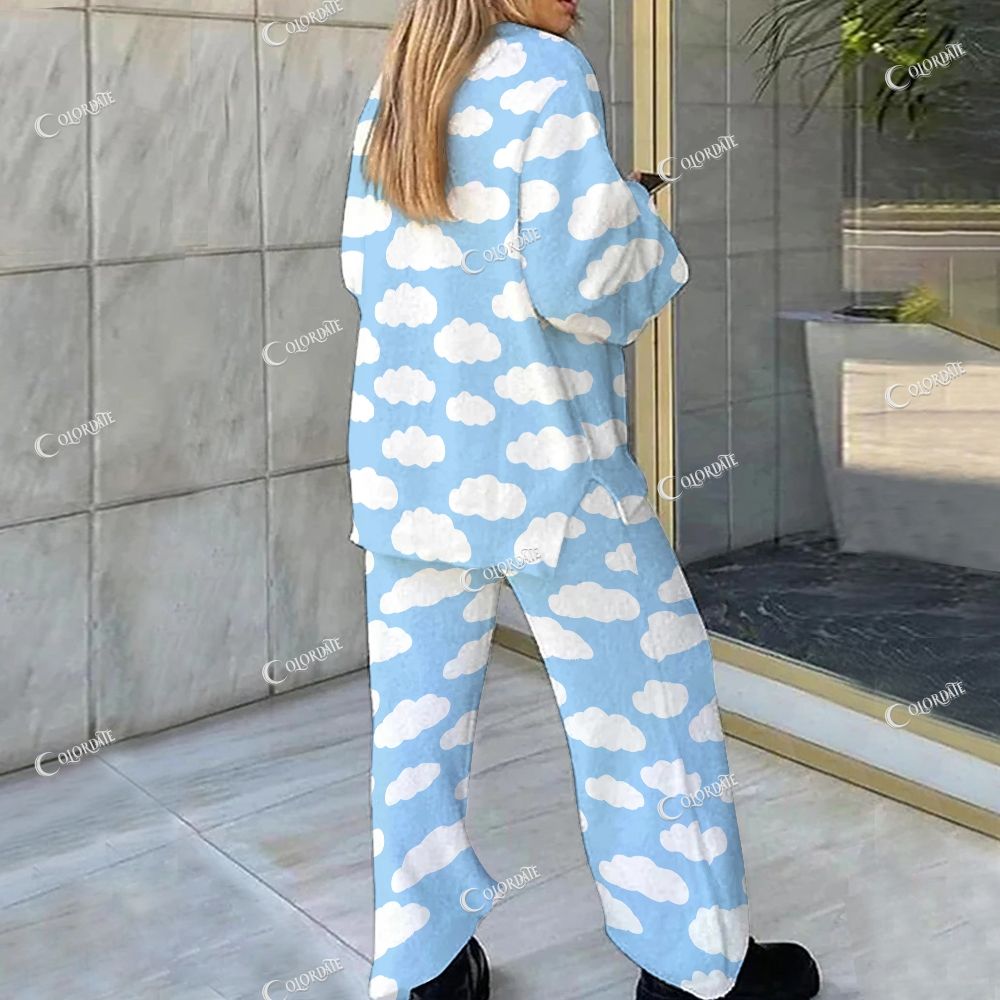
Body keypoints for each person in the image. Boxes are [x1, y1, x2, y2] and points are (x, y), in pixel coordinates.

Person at [340, 2, 821, 998]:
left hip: (408, 466)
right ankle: (696, 968)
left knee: (416, 736)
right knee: (650, 702)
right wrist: (637, 214)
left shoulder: (402, 80)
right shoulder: (546, 71)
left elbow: (364, 267)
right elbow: (582, 281)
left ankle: (425, 969)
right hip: (549, 466)